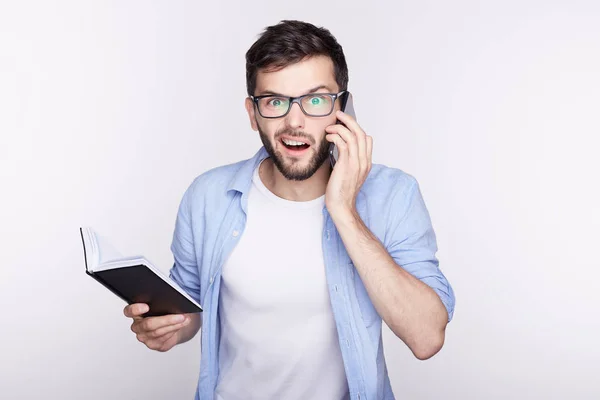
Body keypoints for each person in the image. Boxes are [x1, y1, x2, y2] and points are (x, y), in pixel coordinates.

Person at [123, 20, 455, 400]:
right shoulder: (208, 196)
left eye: (316, 100)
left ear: (343, 109)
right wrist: (170, 328)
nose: (294, 122)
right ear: (253, 113)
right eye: (275, 102)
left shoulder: (393, 195)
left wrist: (343, 209)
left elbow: (427, 337)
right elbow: (191, 305)